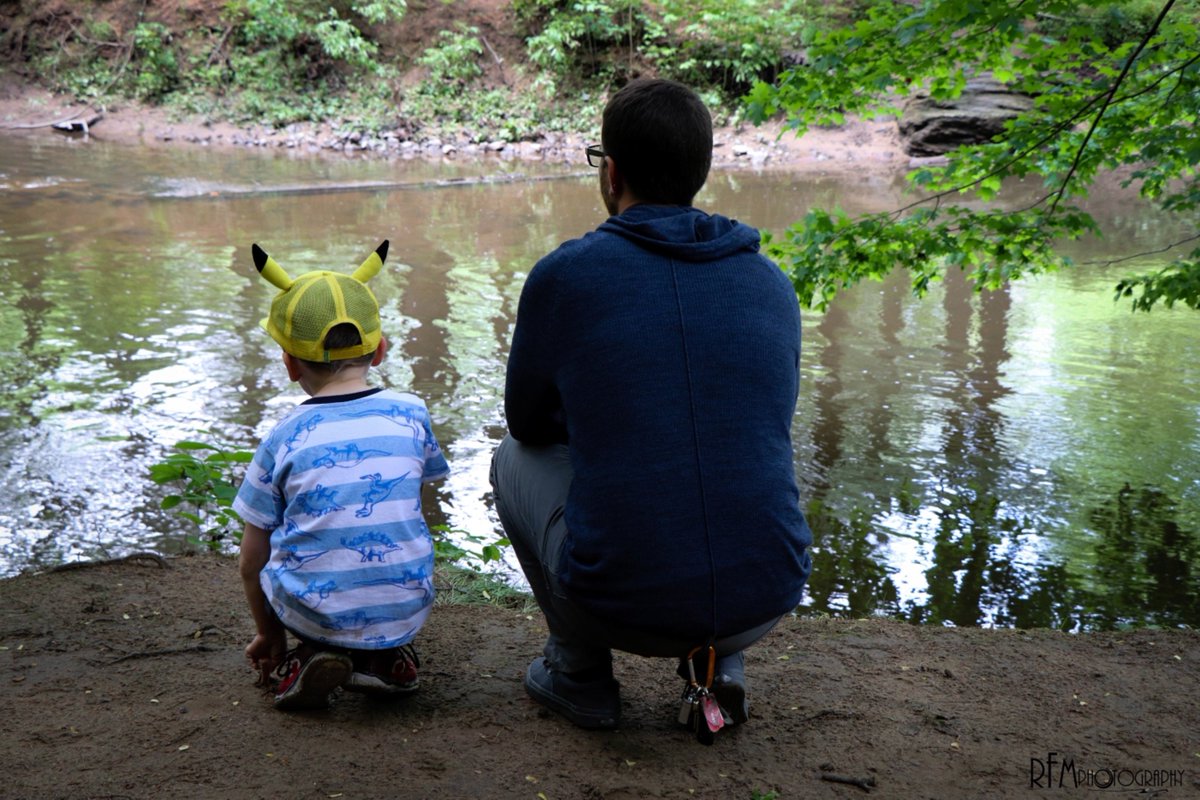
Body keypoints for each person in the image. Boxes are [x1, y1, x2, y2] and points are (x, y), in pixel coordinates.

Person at [490, 78, 813, 731]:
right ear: (702, 170)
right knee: (737, 453)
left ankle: (577, 672)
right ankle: (720, 670)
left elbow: (527, 423)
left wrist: (604, 417)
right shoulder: (771, 283)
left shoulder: (567, 276)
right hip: (764, 599)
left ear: (611, 173)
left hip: (618, 606)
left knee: (510, 459)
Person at [233, 240, 450, 710]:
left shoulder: (283, 436)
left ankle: (306, 655)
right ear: (380, 350)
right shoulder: (412, 414)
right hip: (407, 602)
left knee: (275, 558)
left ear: (289, 363)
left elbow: (251, 562)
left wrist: (269, 636)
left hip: (311, 611)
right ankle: (388, 658)